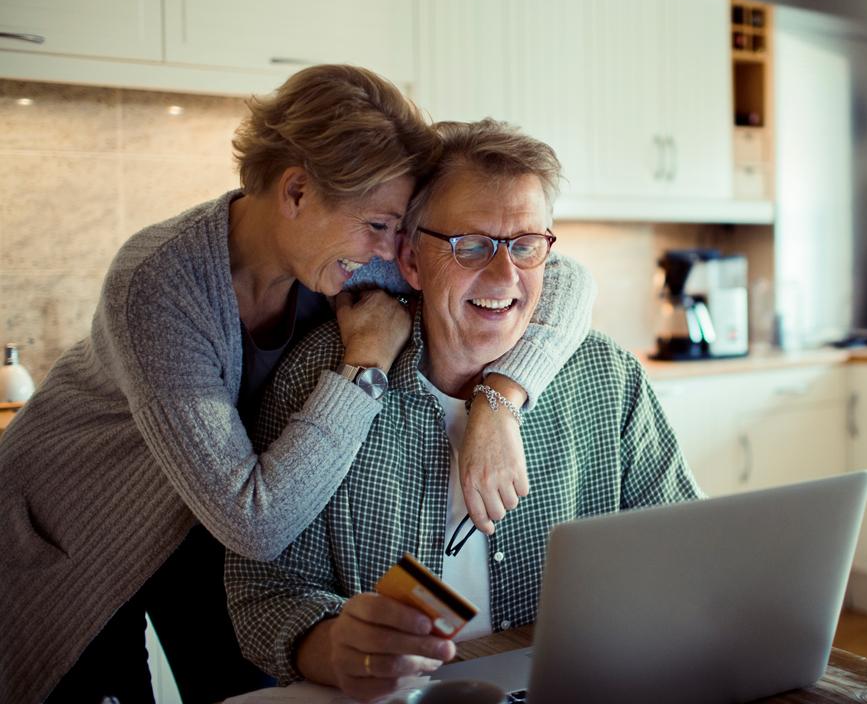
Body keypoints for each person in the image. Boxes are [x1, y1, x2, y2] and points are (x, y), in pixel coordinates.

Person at [0, 66, 595, 704]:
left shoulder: (346, 247)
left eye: (398, 228)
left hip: (206, 523)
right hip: (69, 530)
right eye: (378, 226)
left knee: (249, 688)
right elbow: (255, 522)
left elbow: (562, 278)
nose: (391, 250)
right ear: (296, 192)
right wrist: (364, 362)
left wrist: (499, 401)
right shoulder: (157, 283)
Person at [226, 118, 699, 702]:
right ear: (410, 260)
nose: (505, 275)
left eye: (526, 245)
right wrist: (330, 646)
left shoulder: (609, 378)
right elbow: (264, 592)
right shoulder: (323, 376)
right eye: (470, 245)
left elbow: (687, 551)